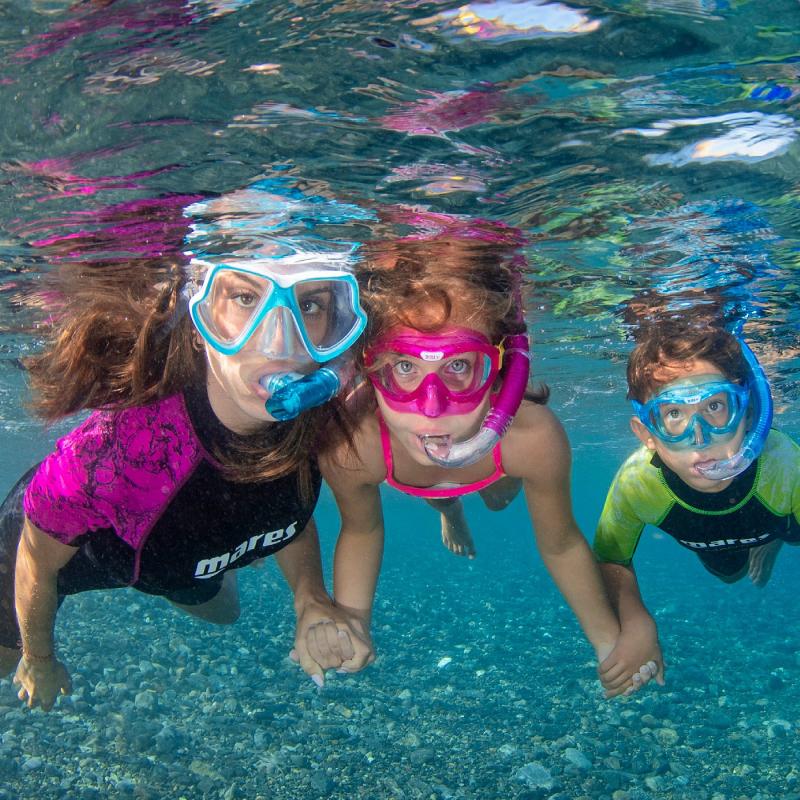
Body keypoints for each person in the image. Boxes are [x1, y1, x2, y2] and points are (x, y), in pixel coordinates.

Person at [2, 250, 371, 711]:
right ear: (198, 320)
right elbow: (36, 561)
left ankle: (190, 559)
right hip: (56, 557)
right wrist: (38, 658)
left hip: (178, 558)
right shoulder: (122, 451)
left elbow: (287, 513)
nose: (280, 342)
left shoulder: (318, 418)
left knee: (225, 614)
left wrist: (310, 598)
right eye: (245, 298)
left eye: (311, 305)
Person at [315, 216, 640, 696]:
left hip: (488, 463)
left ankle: (455, 501)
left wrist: (609, 641)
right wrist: (354, 621)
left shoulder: (531, 437)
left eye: (459, 366)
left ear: (500, 366)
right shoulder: (353, 444)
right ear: (371, 366)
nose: (431, 407)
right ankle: (449, 510)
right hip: (412, 466)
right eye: (404, 366)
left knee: (499, 498)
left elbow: (562, 545)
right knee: (435, 479)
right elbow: (361, 529)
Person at [594, 321, 799, 697]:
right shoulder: (638, 483)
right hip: (716, 537)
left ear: (747, 413)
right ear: (646, 434)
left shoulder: (786, 467)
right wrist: (635, 619)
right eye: (673, 415)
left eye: (715, 406)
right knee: (730, 575)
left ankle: (773, 540)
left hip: (781, 515)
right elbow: (611, 557)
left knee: (793, 533)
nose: (700, 438)